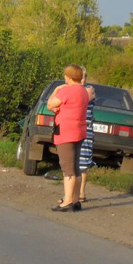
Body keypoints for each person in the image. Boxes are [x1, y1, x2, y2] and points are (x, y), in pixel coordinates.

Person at [47, 64, 89, 212]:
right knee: (76, 167)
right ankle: (76, 200)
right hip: (80, 131)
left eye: (65, 75)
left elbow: (50, 104)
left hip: (66, 132)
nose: (64, 77)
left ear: (69, 77)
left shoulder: (66, 91)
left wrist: (55, 91)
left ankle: (67, 200)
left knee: (67, 169)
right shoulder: (83, 91)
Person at [77, 67, 96, 204]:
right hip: (72, 129)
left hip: (85, 131)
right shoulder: (71, 89)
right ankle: (71, 194)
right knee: (72, 163)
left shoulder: (89, 90)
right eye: (80, 77)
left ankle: (81, 193)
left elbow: (82, 100)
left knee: (83, 164)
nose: (82, 80)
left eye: (84, 77)